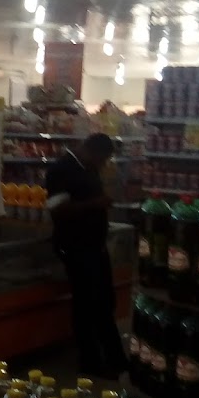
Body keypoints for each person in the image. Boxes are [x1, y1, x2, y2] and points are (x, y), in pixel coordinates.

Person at [45, 133, 127, 379]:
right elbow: (57, 209)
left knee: (105, 301)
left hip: (95, 246)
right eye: (103, 159)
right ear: (92, 151)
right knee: (85, 305)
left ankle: (115, 357)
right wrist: (95, 204)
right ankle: (91, 361)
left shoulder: (88, 168)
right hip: (76, 247)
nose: (104, 165)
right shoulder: (61, 170)